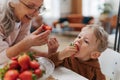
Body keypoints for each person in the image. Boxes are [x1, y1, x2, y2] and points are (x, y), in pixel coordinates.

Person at [0, 0, 59, 65]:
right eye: (30, 6)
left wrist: (48, 54)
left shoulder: (24, 18)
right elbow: (1, 58)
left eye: (39, 8)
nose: (36, 14)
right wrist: (27, 43)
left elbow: (20, 49)